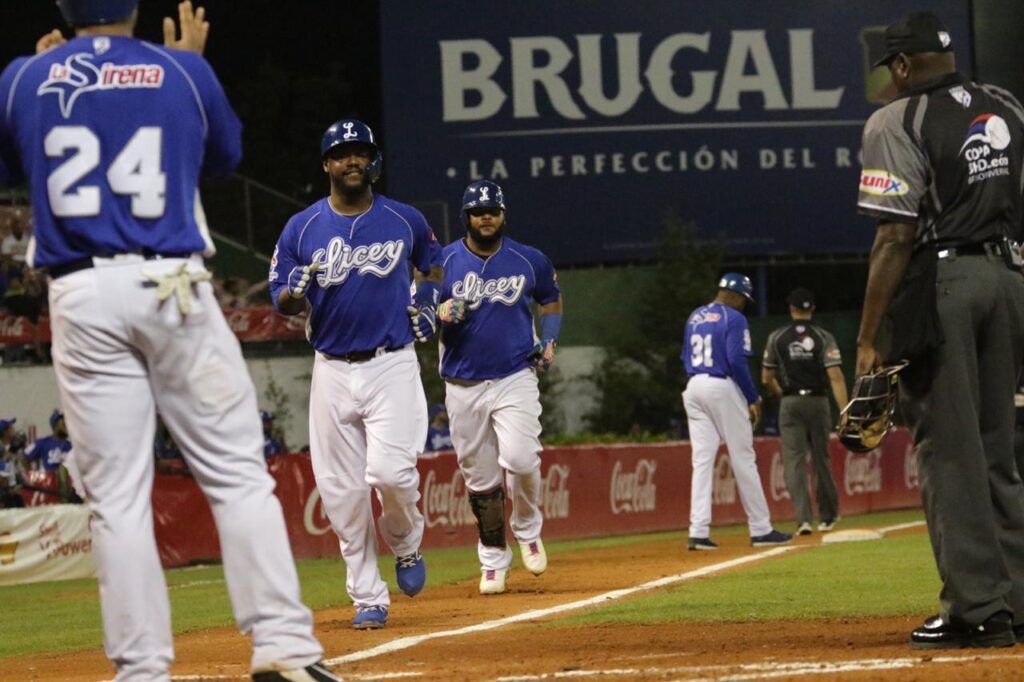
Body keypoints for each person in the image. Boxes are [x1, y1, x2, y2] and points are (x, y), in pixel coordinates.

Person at [0, 2, 336, 679]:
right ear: (134, 6)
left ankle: (141, 670)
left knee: (116, 497)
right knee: (237, 472)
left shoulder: (21, 77)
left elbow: (17, 167)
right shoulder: (180, 70)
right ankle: (283, 647)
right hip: (170, 284)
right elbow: (223, 159)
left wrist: (44, 76)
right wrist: (189, 69)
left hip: (79, 295)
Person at [854, 11, 1024, 649]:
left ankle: (977, 611)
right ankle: (1016, 598)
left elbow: (894, 234)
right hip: (1009, 280)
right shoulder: (1005, 104)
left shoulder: (894, 120)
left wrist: (871, 335)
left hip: (945, 286)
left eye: (889, 71)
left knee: (950, 454)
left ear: (901, 66)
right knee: (999, 451)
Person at [270, 117, 442, 630]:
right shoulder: (301, 227)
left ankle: (406, 543)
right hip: (330, 369)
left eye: (360, 152)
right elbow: (277, 292)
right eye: (342, 153)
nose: (352, 160)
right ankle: (367, 595)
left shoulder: (404, 219)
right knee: (342, 494)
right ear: (326, 164)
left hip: (391, 361)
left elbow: (432, 264)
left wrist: (430, 301)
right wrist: (290, 292)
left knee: (391, 475)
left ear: (372, 162)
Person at [437, 180, 562, 595]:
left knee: (522, 458)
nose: (485, 216)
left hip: (514, 374)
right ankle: (492, 558)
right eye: (477, 211)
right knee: (480, 477)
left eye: (491, 209)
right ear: (466, 217)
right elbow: (416, 308)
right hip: (462, 381)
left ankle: (527, 529)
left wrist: (549, 339)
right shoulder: (444, 261)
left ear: (503, 214)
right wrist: (439, 311)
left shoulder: (529, 259)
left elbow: (551, 299)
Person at [681, 274, 792, 551]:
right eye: (744, 298)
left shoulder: (696, 315)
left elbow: (685, 357)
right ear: (737, 295)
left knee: (702, 461)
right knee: (743, 457)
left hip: (694, 386)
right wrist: (752, 397)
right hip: (721, 385)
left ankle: (698, 531)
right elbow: (735, 360)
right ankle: (761, 529)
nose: (744, 304)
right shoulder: (734, 318)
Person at [761, 288, 848, 535]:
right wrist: (845, 410)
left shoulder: (777, 337)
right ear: (813, 309)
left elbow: (766, 377)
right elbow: (836, 376)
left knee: (794, 461)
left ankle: (803, 520)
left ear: (791, 309)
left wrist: (782, 395)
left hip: (790, 403)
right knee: (822, 459)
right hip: (818, 402)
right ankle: (828, 517)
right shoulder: (823, 337)